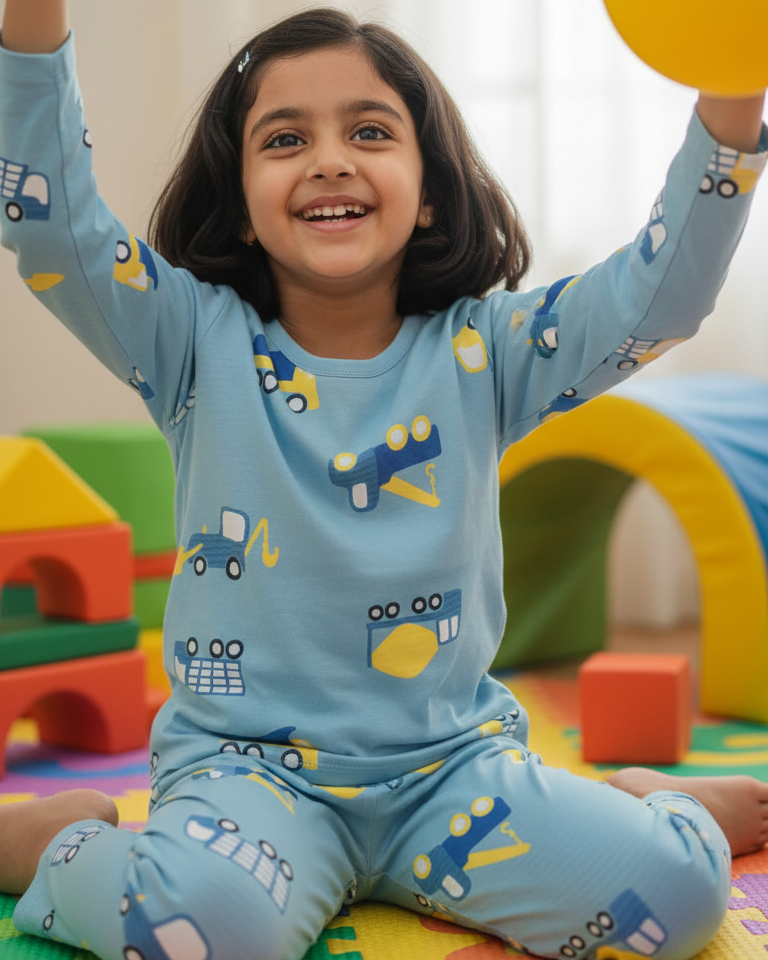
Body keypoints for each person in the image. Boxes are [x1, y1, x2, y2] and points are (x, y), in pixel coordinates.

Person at [0, 3, 767, 958]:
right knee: (197, 929)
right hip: (250, 777)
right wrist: (33, 25)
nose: (329, 159)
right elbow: (55, 228)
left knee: (677, 897)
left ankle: (663, 808)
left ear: (430, 191)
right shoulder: (191, 341)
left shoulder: (487, 353)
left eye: (369, 131)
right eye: (285, 138)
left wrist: (734, 85)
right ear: (241, 201)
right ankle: (43, 843)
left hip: (453, 773)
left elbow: (662, 297)